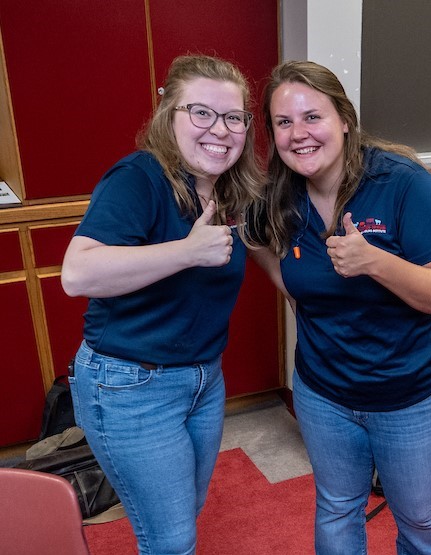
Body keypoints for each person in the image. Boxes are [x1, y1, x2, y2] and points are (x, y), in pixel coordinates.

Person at [253, 60, 431, 555]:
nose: (299, 134)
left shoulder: (402, 183)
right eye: (284, 122)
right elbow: (258, 245)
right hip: (323, 393)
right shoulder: (278, 196)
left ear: (345, 119)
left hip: (410, 395)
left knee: (419, 517)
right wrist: (298, 295)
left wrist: (375, 262)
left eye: (313, 117)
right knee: (336, 507)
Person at [61, 54, 262, 555]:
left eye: (233, 117)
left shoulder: (228, 191)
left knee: (184, 514)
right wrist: (186, 252)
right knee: (171, 539)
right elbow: (77, 273)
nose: (220, 129)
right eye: (201, 112)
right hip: (130, 385)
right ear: (168, 113)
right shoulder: (139, 177)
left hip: (203, 379)